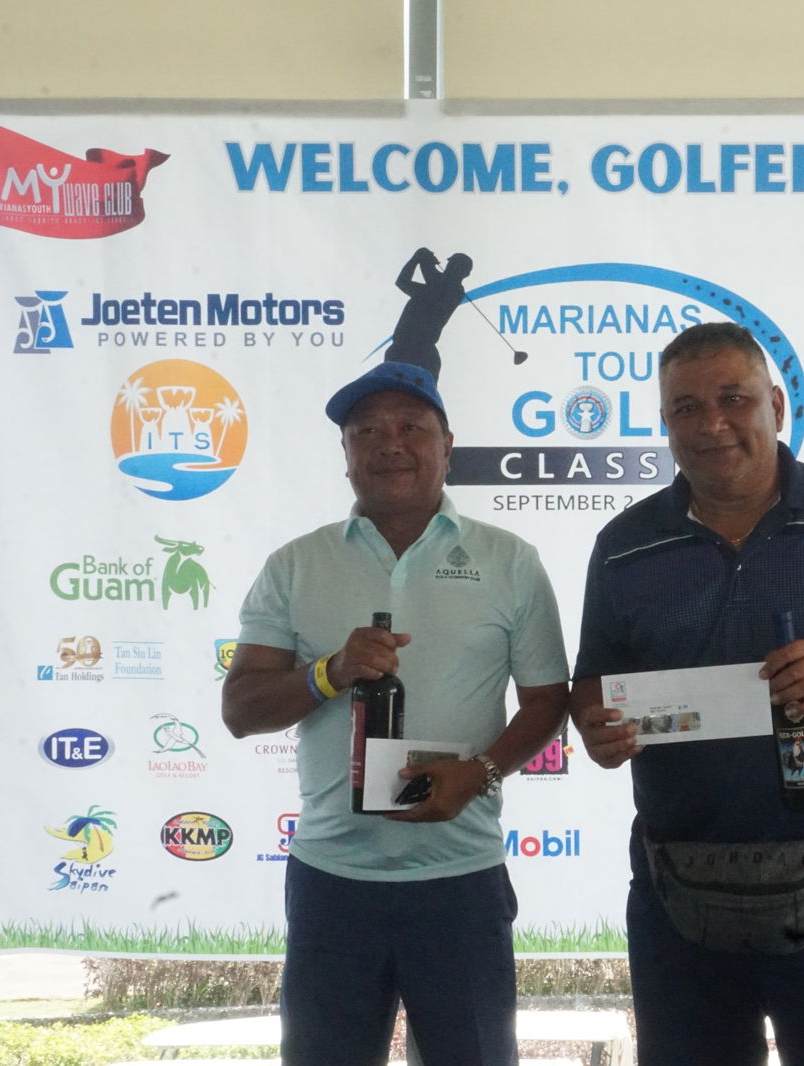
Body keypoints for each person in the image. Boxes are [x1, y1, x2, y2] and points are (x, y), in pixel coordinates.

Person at [572, 321, 804, 1066]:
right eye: (686, 407)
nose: (711, 423)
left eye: (733, 398)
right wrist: (597, 722)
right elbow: (596, 677)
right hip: (677, 879)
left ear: (776, 406)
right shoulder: (623, 544)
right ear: (664, 425)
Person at [221, 361, 569, 1066]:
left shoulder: (510, 561)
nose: (390, 443)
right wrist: (330, 672)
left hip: (460, 884)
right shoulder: (295, 565)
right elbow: (240, 709)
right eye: (366, 431)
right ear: (345, 456)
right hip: (333, 885)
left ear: (447, 446)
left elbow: (549, 702)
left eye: (412, 427)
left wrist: (481, 771)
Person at [386, 247, 472, 381]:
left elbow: (432, 277)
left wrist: (421, 257)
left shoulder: (453, 291)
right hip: (401, 348)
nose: (449, 267)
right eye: (450, 264)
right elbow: (402, 282)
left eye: (453, 266)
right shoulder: (427, 290)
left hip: (420, 352)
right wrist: (418, 258)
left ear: (463, 274)